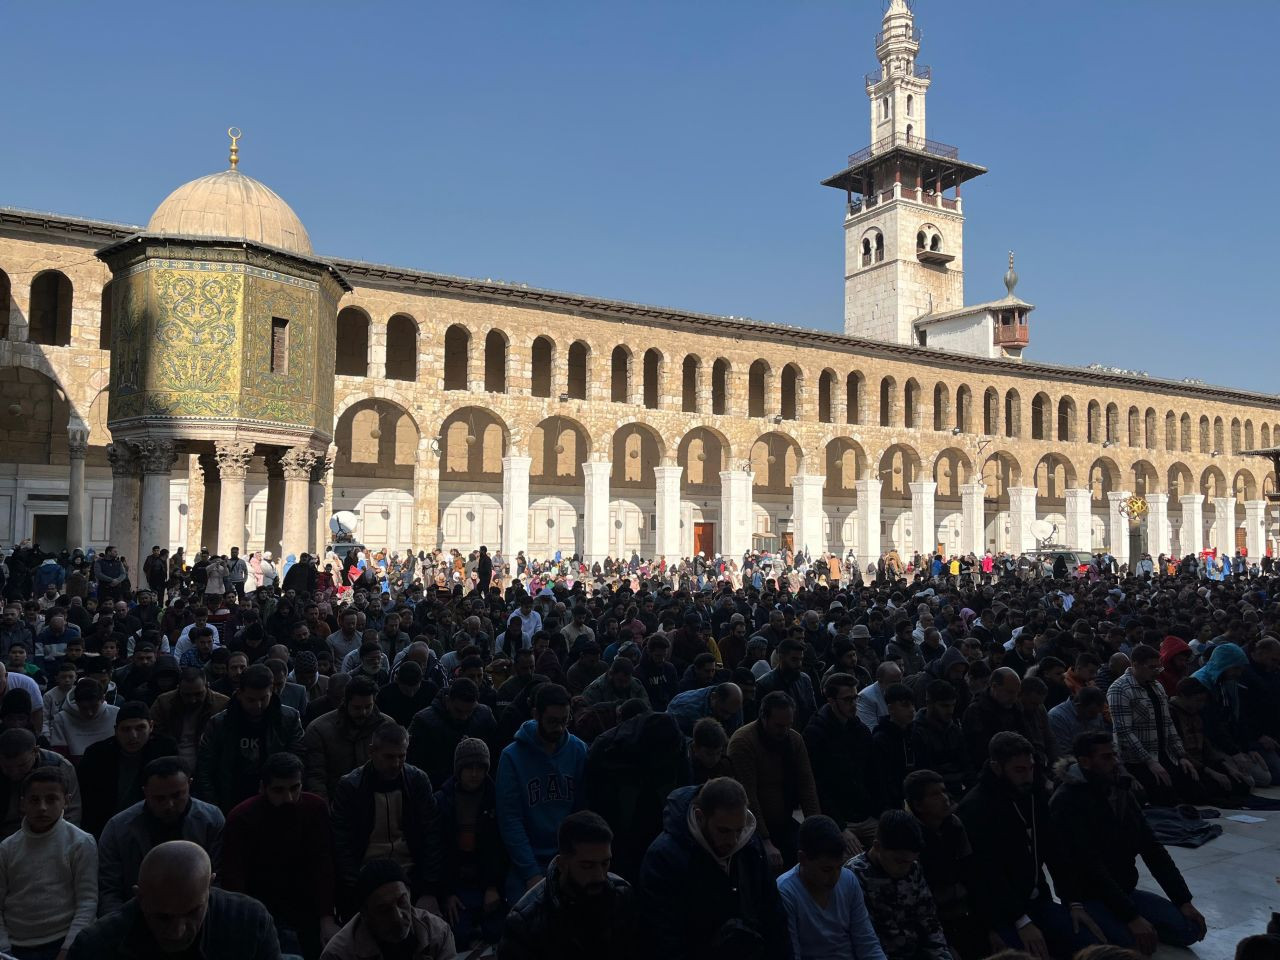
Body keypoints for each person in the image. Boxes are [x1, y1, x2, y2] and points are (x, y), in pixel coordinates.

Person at [1050, 732, 1206, 954]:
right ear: (1085, 762)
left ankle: (1125, 924)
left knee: (1189, 929)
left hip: (1124, 890)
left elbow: (1152, 848)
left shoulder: (1120, 789)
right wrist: (1131, 916)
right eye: (1106, 757)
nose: (1114, 762)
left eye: (1114, 755)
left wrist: (1183, 900)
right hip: (1088, 895)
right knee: (1128, 947)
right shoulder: (1067, 801)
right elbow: (1091, 867)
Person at [956, 732, 1096, 958]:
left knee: (1091, 944)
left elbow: (1055, 851)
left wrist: (1073, 902)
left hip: (1038, 900)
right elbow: (986, 874)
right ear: (997, 767)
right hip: (1002, 912)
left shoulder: (1033, 793)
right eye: (1019, 770)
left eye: (1030, 768)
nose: (1028, 776)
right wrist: (1021, 921)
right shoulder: (974, 809)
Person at [638, 776, 792, 960]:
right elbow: (664, 936)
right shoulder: (665, 857)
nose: (733, 840)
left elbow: (773, 916)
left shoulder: (750, 847)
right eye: (724, 831)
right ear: (700, 817)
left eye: (739, 830)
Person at [69, 840, 279, 960]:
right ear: (139, 897)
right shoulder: (97, 947)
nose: (178, 931)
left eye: (192, 912)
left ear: (209, 887)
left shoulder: (250, 922)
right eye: (163, 917)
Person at [221, 753, 338, 960]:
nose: (289, 798)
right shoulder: (241, 818)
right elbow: (235, 878)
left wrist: (326, 917)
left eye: (295, 788)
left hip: (305, 902)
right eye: (279, 790)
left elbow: (323, 864)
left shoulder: (315, 808)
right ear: (262, 788)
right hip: (260, 902)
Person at [498, 810, 640, 959]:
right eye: (587, 866)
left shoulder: (621, 897)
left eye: (605, 863)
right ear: (562, 864)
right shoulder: (526, 921)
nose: (599, 876)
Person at [331, 722, 441, 913]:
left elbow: (433, 833)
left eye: (402, 756)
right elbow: (341, 842)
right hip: (365, 876)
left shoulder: (417, 781)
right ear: (372, 752)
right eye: (389, 757)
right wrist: (354, 887)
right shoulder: (350, 786)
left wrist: (429, 889)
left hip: (410, 873)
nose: (396, 764)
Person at [97, 757, 225, 917]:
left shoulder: (211, 820)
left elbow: (218, 880)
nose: (169, 805)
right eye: (159, 798)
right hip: (137, 917)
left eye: (177, 795)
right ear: (145, 792)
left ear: (190, 785)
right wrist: (118, 927)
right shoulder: (118, 828)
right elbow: (109, 889)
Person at [496, 684, 586, 903]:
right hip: (527, 859)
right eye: (552, 721)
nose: (559, 728)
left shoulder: (579, 750)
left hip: (569, 854)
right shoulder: (512, 757)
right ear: (536, 715)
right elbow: (510, 820)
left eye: (565, 721)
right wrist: (531, 873)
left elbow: (583, 810)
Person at [0, 768, 97, 960]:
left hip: (62, 941)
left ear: (66, 801)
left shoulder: (81, 842)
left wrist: (68, 948)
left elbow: (87, 901)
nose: (42, 807)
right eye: (34, 800)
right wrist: (4, 948)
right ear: (22, 804)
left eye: (51, 799)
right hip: (14, 945)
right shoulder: (7, 847)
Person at [727, 691, 820, 872]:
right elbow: (747, 795)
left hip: (784, 821)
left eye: (788, 725)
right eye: (779, 726)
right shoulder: (743, 743)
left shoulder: (794, 740)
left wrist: (816, 829)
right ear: (763, 717)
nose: (784, 731)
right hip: (751, 827)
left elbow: (806, 785)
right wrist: (765, 839)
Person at [195, 663, 305, 812]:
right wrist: (214, 806)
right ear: (239, 693)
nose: (258, 705)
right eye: (251, 700)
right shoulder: (219, 724)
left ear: (272, 691)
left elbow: (297, 760)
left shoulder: (289, 719)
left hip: (277, 795)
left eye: (263, 699)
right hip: (231, 796)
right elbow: (205, 769)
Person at [776, 814, 886, 960]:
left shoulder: (848, 880)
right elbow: (790, 954)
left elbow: (867, 942)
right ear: (803, 859)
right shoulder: (785, 892)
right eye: (826, 870)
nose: (835, 877)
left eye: (839, 867)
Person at [847, 810, 953, 960]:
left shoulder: (913, 868)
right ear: (877, 847)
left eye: (910, 861)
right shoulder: (854, 876)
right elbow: (865, 940)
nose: (905, 868)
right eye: (899, 861)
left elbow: (929, 922)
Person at [905, 770, 986, 960]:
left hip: (966, 913)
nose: (945, 798)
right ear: (917, 804)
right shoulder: (910, 837)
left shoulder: (954, 825)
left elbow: (972, 873)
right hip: (935, 922)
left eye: (944, 791)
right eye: (935, 795)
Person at [435, 739, 506, 951]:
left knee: (498, 933)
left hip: (486, 879)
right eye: (469, 768)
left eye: (480, 768)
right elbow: (438, 849)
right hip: (456, 881)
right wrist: (446, 892)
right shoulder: (442, 801)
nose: (474, 774)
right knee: (457, 934)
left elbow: (499, 847)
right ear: (459, 769)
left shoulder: (496, 799)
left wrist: (493, 886)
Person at [1108, 644, 1198, 806]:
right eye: (1152, 667)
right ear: (1135, 665)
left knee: (1193, 786)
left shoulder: (1157, 686)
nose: (1157, 671)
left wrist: (1181, 755)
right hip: (1138, 759)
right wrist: (1149, 761)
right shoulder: (1119, 689)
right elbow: (1124, 731)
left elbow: (1167, 722)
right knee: (1166, 797)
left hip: (1164, 752)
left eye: (1159, 667)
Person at [76, 700, 178, 838]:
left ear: (151, 727)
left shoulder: (165, 749)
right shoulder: (96, 755)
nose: (133, 736)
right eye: (126, 729)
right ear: (116, 730)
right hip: (107, 827)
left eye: (140, 728)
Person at [804, 672, 880, 851]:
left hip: (866, 815)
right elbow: (818, 786)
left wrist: (878, 812)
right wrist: (839, 826)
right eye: (847, 700)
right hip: (839, 819)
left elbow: (874, 774)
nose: (853, 704)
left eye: (855, 698)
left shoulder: (860, 730)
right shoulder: (815, 734)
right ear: (831, 700)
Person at [322, 859, 455, 960]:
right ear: (365, 915)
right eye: (383, 910)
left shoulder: (437, 933)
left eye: (401, 902)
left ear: (409, 894)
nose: (397, 917)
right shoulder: (339, 954)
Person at [302, 675, 386, 801]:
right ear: (345, 702)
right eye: (357, 708)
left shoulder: (386, 727)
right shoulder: (318, 729)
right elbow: (316, 776)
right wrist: (324, 809)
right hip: (337, 801)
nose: (363, 713)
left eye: (368, 707)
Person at [408, 678, 497, 790]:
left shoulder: (484, 716)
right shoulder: (423, 722)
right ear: (447, 701)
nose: (464, 717)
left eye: (469, 711)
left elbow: (496, 751)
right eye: (458, 711)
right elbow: (414, 765)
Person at [0, 729, 81, 838]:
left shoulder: (60, 766)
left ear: (35, 751)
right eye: (7, 767)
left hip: (51, 834)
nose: (14, 773)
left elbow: (72, 812)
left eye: (22, 766)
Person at [149, 666, 228, 772]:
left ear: (207, 686)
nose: (193, 700)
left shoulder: (222, 704)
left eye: (198, 694)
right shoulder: (163, 703)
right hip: (171, 765)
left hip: (209, 765)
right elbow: (154, 735)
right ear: (178, 688)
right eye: (187, 695)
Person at [1047, 686, 1108, 759]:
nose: (1095, 717)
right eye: (1091, 713)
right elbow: (1063, 753)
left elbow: (1102, 742)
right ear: (1078, 705)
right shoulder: (1057, 716)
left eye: (1098, 713)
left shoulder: (1096, 714)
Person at [666, 681, 743, 737]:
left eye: (731, 714)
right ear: (713, 697)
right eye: (723, 711)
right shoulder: (683, 708)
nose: (727, 717)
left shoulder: (733, 704)